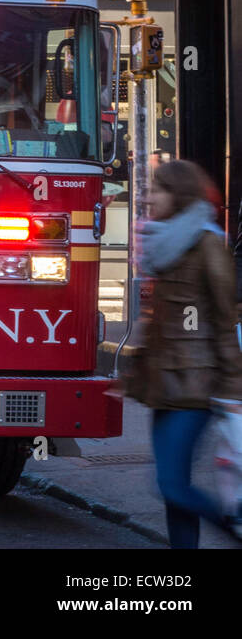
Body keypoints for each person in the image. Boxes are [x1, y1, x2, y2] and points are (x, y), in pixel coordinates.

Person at [122, 158, 242, 547]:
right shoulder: (163, 242)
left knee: (171, 486)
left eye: (158, 190)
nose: (149, 197)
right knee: (174, 490)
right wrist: (131, 377)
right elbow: (158, 326)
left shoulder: (207, 244)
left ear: (179, 195)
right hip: (164, 386)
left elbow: (225, 323)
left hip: (196, 385)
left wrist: (233, 388)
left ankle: (233, 525)